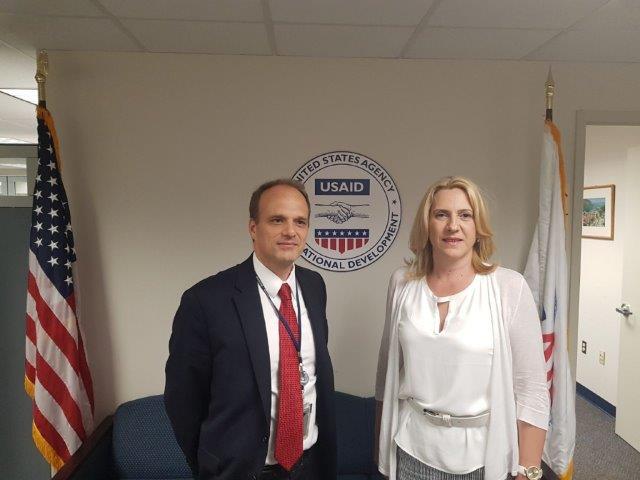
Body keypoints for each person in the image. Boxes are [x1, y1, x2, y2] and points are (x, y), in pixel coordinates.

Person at [375, 176, 549, 480]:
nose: (453, 226)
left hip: (483, 459)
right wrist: (380, 445)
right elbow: (386, 371)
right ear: (426, 225)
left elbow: (531, 389)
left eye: (465, 215)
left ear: (478, 227)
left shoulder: (508, 287)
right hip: (411, 450)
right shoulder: (402, 283)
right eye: (441, 215)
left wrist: (528, 470)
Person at [165, 179, 337, 480]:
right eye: (277, 220)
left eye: (300, 221)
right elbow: (183, 399)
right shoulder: (206, 300)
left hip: (309, 466)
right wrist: (211, 463)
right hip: (241, 471)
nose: (290, 231)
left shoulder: (314, 287)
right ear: (253, 228)